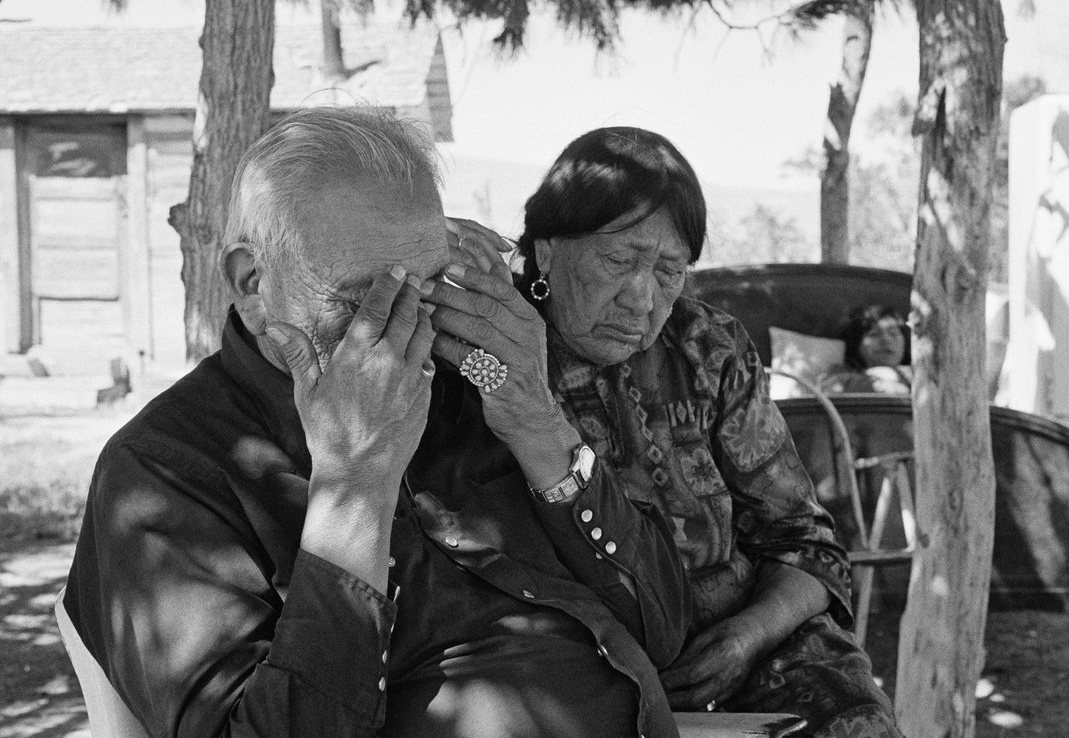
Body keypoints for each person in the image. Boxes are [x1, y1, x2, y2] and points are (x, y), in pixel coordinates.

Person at [63, 107, 692, 738]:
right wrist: (355, 485)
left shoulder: (471, 388)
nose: (410, 328)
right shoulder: (166, 469)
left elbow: (662, 628)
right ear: (253, 284)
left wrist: (539, 424)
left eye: (429, 287)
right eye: (370, 298)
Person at [456, 126, 901, 736]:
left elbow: (804, 541)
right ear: (548, 249)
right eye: (619, 261)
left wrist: (746, 637)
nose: (642, 300)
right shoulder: (493, 340)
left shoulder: (709, 348)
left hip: (749, 644)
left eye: (670, 271)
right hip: (579, 656)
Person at [819, 305, 912, 396]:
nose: (886, 340)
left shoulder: (916, 373)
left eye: (893, 333)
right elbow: (828, 388)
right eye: (874, 334)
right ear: (856, 344)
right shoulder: (839, 376)